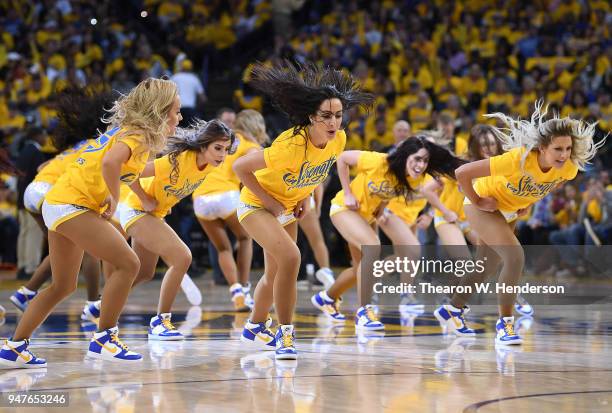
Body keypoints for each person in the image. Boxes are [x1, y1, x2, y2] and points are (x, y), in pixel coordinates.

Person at [0, 77, 179, 367]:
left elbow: (130, 168)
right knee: (129, 264)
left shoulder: (129, 132)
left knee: (63, 286)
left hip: (60, 202)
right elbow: (111, 165)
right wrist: (113, 194)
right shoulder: (138, 136)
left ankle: (14, 346)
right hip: (73, 203)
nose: (179, 117)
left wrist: (171, 164)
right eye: (176, 111)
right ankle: (104, 338)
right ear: (160, 111)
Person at [234, 62, 373, 359]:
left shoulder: (339, 140)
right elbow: (240, 167)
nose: (333, 122)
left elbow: (318, 170)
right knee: (291, 258)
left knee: (275, 274)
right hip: (256, 204)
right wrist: (269, 201)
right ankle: (286, 334)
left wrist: (304, 196)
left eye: (338, 115)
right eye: (326, 116)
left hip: (287, 204)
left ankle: (255, 326)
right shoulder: (290, 145)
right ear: (312, 116)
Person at [437, 101, 605, 345]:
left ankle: (452, 309)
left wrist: (529, 201)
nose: (564, 154)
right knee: (515, 257)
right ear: (542, 147)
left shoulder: (567, 169)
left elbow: (549, 184)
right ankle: (505, 325)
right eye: (558, 149)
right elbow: (462, 173)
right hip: (482, 205)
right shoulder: (518, 160)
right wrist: (478, 200)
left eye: (568, 148)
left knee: (484, 267)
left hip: (510, 210)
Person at [311, 137, 465, 330]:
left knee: (360, 270)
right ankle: (364, 311)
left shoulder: (410, 177)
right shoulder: (378, 161)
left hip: (365, 218)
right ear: (405, 155)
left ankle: (327, 298)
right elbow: (342, 158)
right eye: (417, 159)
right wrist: (348, 192)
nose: (421, 165)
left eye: (425, 161)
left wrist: (382, 209)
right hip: (343, 209)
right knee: (374, 247)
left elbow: (388, 191)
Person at [119, 119, 235, 340]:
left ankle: (102, 304)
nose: (222, 155)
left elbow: (172, 188)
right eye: (217, 148)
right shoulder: (175, 162)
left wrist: (163, 204)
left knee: (144, 272)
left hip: (153, 215)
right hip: (136, 210)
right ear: (203, 146)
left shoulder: (209, 167)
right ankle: (161, 321)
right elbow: (128, 172)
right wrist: (144, 199)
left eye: (226, 150)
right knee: (182, 257)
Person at [10, 88, 115, 322]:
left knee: (65, 248)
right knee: (86, 249)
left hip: (35, 190)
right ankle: (93, 303)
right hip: (53, 193)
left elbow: (40, 168)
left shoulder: (76, 146)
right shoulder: (100, 144)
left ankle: (26, 293)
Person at [193, 110, 268, 311]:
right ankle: (243, 289)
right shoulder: (246, 143)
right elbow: (257, 160)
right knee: (245, 239)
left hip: (200, 199)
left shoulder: (222, 139)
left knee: (223, 248)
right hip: (227, 195)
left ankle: (234, 289)